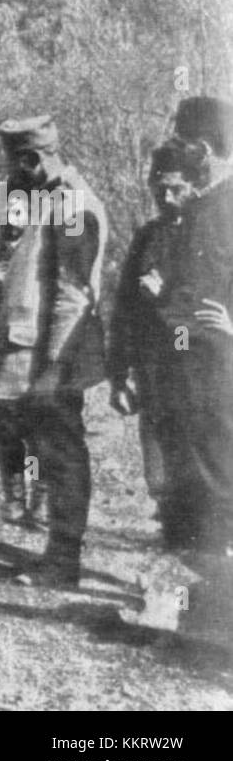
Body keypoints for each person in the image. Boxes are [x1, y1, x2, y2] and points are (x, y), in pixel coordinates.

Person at [0, 115, 108, 589]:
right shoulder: (49, 199)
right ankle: (57, 555)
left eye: (16, 163)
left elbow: (73, 294)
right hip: (30, 354)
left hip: (49, 359)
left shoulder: (71, 203)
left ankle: (62, 561)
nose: (11, 174)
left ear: (32, 159)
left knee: (61, 453)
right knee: (50, 451)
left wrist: (53, 369)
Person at [153, 96, 233, 557]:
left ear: (203, 149)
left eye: (183, 144)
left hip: (218, 361)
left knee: (220, 465)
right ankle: (190, 582)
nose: (176, 151)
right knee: (188, 464)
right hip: (183, 358)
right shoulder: (198, 207)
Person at [107, 141, 197, 544]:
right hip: (153, 363)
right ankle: (171, 524)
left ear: (192, 185)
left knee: (198, 447)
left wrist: (168, 293)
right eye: (158, 188)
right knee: (157, 448)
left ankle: (202, 535)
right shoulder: (147, 235)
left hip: (198, 363)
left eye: (175, 187)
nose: (166, 196)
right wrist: (117, 372)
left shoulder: (212, 231)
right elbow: (123, 306)